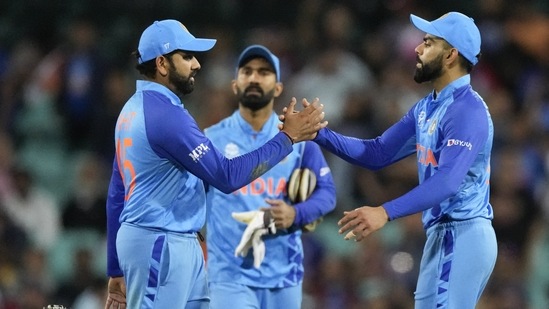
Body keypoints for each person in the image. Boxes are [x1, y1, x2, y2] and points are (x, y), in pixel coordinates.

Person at [104, 20, 326, 309]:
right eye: (187, 56)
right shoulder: (165, 116)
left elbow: (116, 192)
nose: (196, 64)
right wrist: (287, 138)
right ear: (161, 63)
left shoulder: (133, 110)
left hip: (171, 241)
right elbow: (226, 175)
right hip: (160, 242)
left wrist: (114, 267)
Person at [291, 12, 497, 308]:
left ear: (451, 55)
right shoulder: (427, 107)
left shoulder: (467, 110)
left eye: (428, 42)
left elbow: (448, 181)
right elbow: (376, 153)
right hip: (443, 235)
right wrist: (318, 134)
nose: (417, 48)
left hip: (462, 233)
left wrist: (385, 212)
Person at [203, 45, 336, 309]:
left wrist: (295, 214)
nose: (254, 78)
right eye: (247, 71)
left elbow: (327, 194)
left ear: (278, 87)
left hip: (284, 275)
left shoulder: (299, 139)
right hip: (229, 277)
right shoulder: (210, 139)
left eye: (264, 72)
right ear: (235, 85)